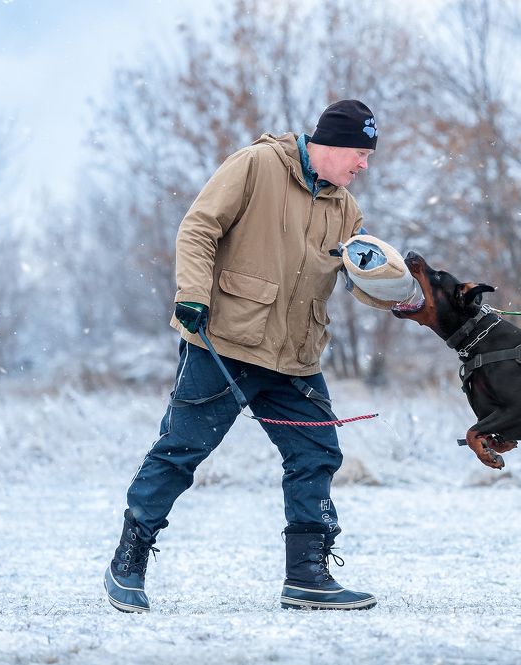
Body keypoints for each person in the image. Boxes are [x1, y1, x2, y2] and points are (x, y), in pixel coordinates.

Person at [104, 100, 379, 613]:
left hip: (295, 357)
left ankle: (307, 576)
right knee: (181, 452)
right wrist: (192, 294)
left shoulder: (346, 208)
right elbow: (199, 228)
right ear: (330, 144)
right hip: (225, 343)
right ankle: (129, 558)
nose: (364, 166)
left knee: (317, 455)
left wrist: (396, 287)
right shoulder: (256, 166)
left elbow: (358, 276)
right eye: (359, 154)